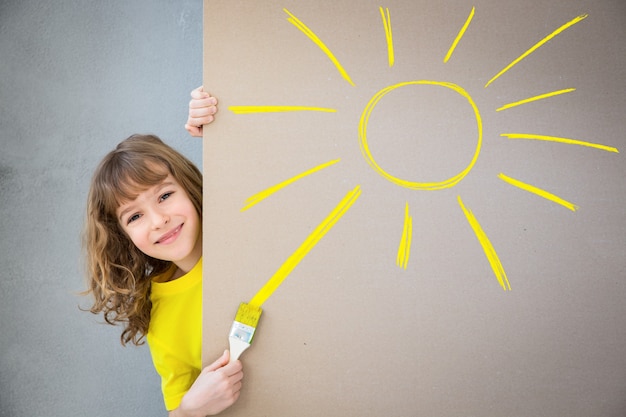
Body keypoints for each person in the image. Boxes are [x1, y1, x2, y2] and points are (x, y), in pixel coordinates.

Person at [83, 87, 234, 416]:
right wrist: (192, 409)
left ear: (188, 184)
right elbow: (178, 408)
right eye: (135, 216)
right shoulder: (160, 316)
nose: (159, 220)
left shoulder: (239, 227)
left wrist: (220, 120)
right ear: (123, 236)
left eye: (164, 195)